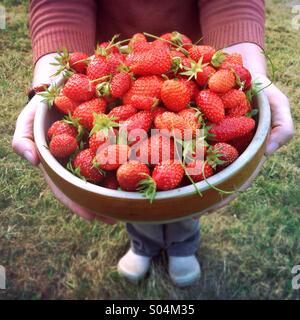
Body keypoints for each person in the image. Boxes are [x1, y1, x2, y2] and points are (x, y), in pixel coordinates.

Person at [12, 0, 294, 287]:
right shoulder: (119, 92)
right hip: (113, 64)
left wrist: (242, 60)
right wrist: (51, 80)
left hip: (187, 58)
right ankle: (143, 244)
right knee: (136, 194)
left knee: (184, 191)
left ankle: (183, 245)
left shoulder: (191, 96)